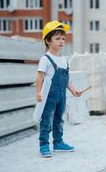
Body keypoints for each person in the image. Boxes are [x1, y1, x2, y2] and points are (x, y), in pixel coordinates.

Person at [36, 20, 82, 158]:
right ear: (48, 41)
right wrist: (38, 93)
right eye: (57, 38)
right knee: (46, 120)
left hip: (61, 96)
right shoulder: (45, 59)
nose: (61, 41)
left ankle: (58, 142)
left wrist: (73, 90)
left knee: (59, 119)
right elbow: (39, 77)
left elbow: (66, 79)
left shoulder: (63, 59)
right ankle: (44, 144)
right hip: (49, 96)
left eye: (63, 38)